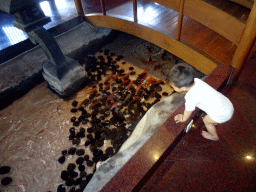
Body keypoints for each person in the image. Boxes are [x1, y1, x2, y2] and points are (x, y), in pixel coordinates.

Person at [167, 63, 234, 141]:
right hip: (227, 104)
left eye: (172, 86)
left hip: (223, 114)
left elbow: (188, 111)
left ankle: (214, 136)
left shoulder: (190, 97)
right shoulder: (196, 80)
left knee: (206, 120)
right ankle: (216, 121)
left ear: (183, 88)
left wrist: (183, 118)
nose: (172, 87)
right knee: (211, 115)